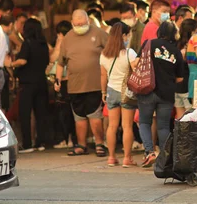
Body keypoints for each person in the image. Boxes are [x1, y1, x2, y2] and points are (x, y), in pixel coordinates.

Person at [54, 10, 108, 157]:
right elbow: (60, 63)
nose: (79, 26)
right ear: (72, 23)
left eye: (82, 24)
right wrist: (57, 80)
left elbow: (112, 52)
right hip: (75, 86)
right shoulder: (68, 38)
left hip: (95, 84)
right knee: (79, 117)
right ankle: (81, 145)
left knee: (95, 115)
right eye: (76, 24)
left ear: (88, 21)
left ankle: (99, 144)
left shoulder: (99, 34)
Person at [137, 21, 185, 168]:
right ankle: (165, 158)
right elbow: (180, 77)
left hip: (147, 90)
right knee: (163, 126)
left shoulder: (149, 44)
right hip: (167, 93)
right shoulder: (176, 51)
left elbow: (137, 62)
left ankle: (150, 152)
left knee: (144, 122)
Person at [100, 23, 139, 167]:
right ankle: (127, 158)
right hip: (126, 92)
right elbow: (137, 71)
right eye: (128, 35)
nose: (129, 37)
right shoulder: (129, 53)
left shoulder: (104, 54)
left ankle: (111, 157)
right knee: (127, 126)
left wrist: (103, 92)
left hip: (111, 91)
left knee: (112, 126)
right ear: (123, 36)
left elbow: (103, 75)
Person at [11, 18, 50, 153]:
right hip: (41, 82)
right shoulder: (44, 44)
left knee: (25, 114)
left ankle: (27, 144)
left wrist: (10, 64)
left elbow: (22, 61)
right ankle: (41, 142)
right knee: (40, 113)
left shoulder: (27, 43)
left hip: (27, 83)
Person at [50, 21, 78, 149]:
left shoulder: (63, 44)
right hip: (73, 80)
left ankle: (67, 139)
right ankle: (73, 139)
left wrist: (58, 43)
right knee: (72, 112)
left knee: (64, 112)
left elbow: (53, 58)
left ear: (60, 33)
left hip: (63, 80)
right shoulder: (74, 42)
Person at [175, 19, 195, 119]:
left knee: (180, 117)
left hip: (177, 86)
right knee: (189, 117)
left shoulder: (176, 44)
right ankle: (186, 135)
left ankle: (179, 135)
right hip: (187, 86)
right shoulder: (192, 46)